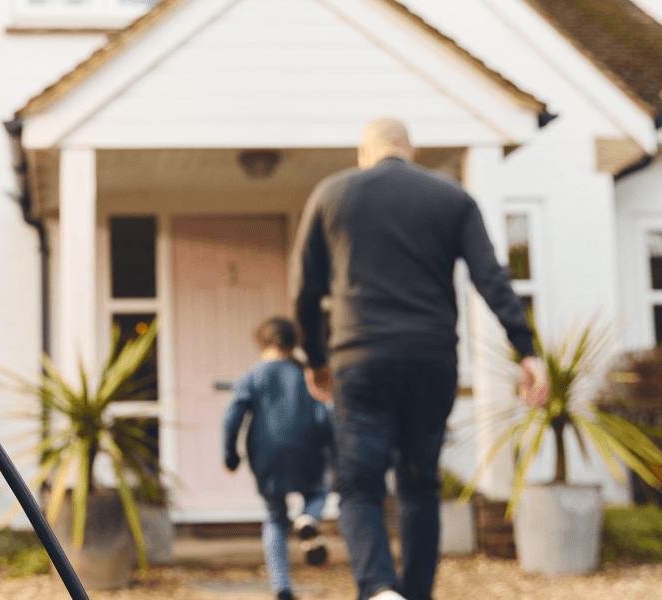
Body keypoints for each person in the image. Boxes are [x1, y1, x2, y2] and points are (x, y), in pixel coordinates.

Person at [292, 118, 549, 600]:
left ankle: (379, 588)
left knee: (359, 485)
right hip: (431, 360)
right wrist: (527, 349)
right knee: (419, 484)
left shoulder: (333, 193)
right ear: (410, 150)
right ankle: (414, 594)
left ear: (364, 152)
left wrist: (314, 357)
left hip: (360, 359)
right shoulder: (451, 197)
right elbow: (490, 276)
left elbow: (304, 290)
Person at [223, 316, 335, 600]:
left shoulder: (253, 376)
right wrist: (330, 446)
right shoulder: (305, 373)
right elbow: (323, 415)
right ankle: (308, 518)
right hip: (307, 449)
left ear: (261, 343)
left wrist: (230, 454)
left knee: (275, 517)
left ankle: (282, 587)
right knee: (318, 490)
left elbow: (233, 417)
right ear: (293, 341)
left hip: (265, 454)